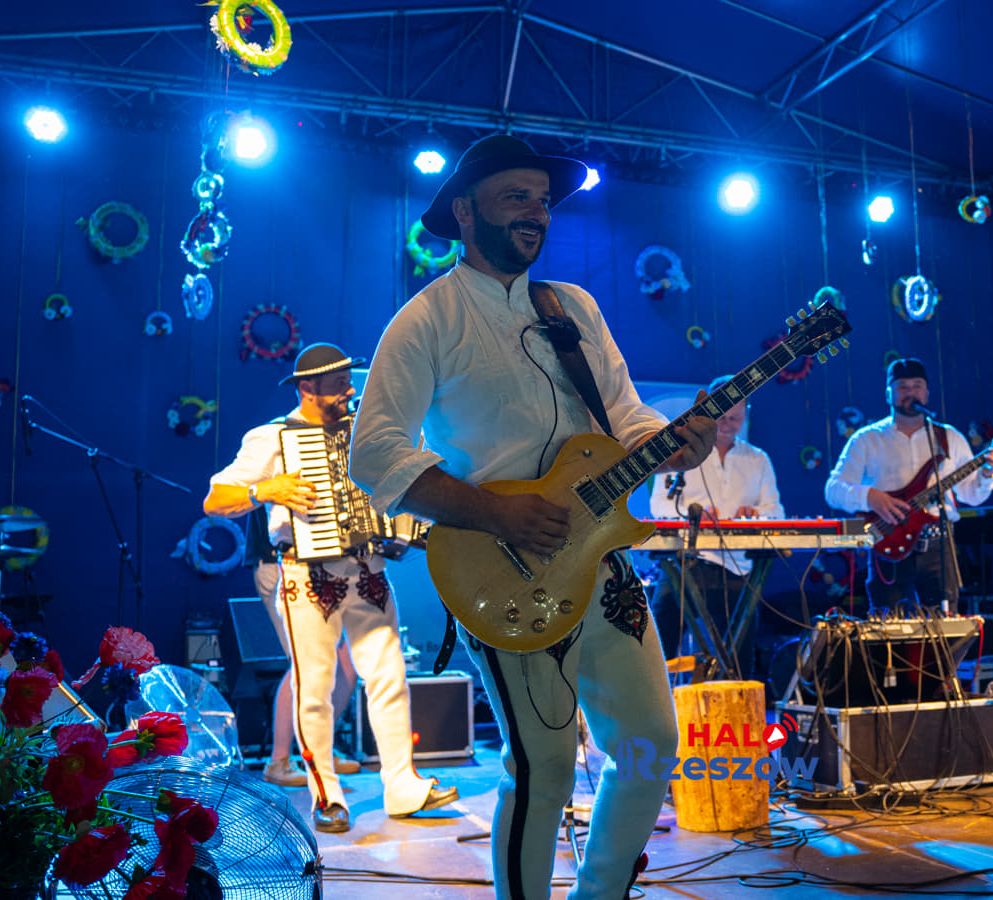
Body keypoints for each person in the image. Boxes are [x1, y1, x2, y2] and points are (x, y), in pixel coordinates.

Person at [349, 134, 715, 900]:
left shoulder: (571, 307)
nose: (536, 213)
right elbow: (375, 454)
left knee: (651, 745)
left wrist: (670, 443)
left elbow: (626, 416)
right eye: (516, 196)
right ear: (464, 210)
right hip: (504, 573)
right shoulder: (426, 319)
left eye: (543, 201)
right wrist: (495, 513)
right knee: (542, 767)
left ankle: (601, 892)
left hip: (604, 558)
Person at [204, 343, 455, 834]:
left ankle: (402, 784)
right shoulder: (272, 438)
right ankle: (327, 795)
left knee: (389, 678)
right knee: (314, 686)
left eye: (347, 380)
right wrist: (264, 490)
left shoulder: (368, 434)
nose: (349, 390)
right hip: (307, 576)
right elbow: (215, 499)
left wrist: (405, 523)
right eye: (338, 383)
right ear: (307, 388)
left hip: (370, 569)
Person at [824, 358, 993, 611]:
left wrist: (988, 474)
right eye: (902, 386)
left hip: (938, 547)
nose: (910, 392)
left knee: (943, 627)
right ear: (888, 394)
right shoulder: (866, 440)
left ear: (927, 393)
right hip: (887, 544)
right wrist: (870, 496)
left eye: (917, 385)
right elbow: (833, 490)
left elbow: (972, 496)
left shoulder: (948, 437)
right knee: (887, 628)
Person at [648, 375, 784, 677]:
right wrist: (693, 516)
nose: (728, 423)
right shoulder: (680, 454)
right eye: (722, 415)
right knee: (657, 653)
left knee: (740, 660)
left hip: (736, 568)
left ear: (746, 415)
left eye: (735, 417)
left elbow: (775, 512)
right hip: (684, 563)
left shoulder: (758, 459)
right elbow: (659, 506)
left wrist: (756, 515)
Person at [243, 503, 361, 788]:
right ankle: (278, 762)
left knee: (347, 663)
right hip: (281, 563)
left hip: (320, 566)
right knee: (305, 663)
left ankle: (320, 750)